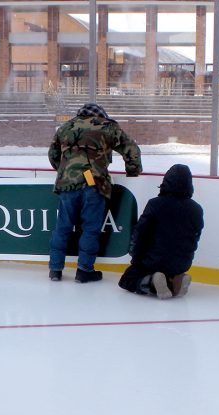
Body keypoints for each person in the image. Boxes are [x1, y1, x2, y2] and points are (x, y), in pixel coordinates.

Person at [48, 103, 142, 283]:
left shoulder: (66, 127)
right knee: (90, 229)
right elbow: (132, 151)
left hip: (67, 184)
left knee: (63, 227)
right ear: (101, 114)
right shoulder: (107, 127)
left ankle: (55, 269)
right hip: (94, 185)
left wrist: (65, 171)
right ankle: (84, 271)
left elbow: (53, 155)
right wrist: (132, 173)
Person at [118, 164, 204, 299]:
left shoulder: (155, 204)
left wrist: (136, 258)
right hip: (182, 263)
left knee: (128, 279)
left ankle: (152, 282)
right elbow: (195, 236)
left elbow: (140, 233)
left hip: (154, 261)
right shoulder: (196, 209)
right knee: (167, 269)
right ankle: (177, 280)